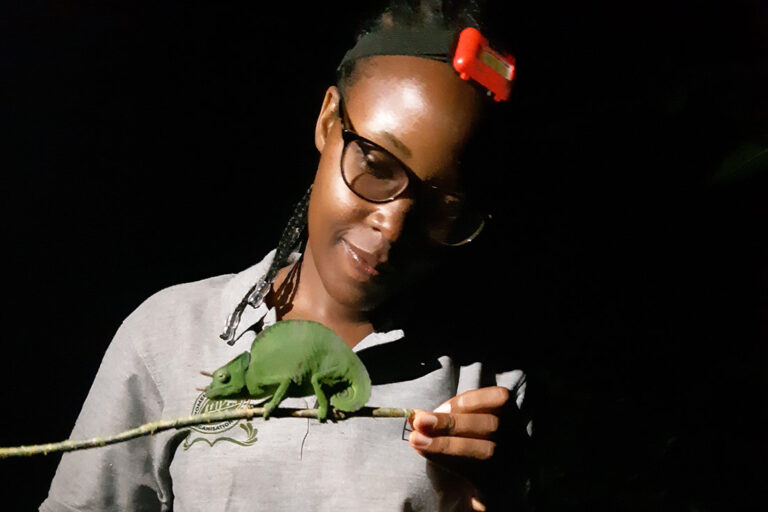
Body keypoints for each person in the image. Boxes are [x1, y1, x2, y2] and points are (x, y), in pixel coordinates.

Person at [40, 1, 529, 510]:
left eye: (443, 206)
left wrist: (507, 495)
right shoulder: (168, 335)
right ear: (327, 121)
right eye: (376, 163)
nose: (393, 224)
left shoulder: (485, 391)